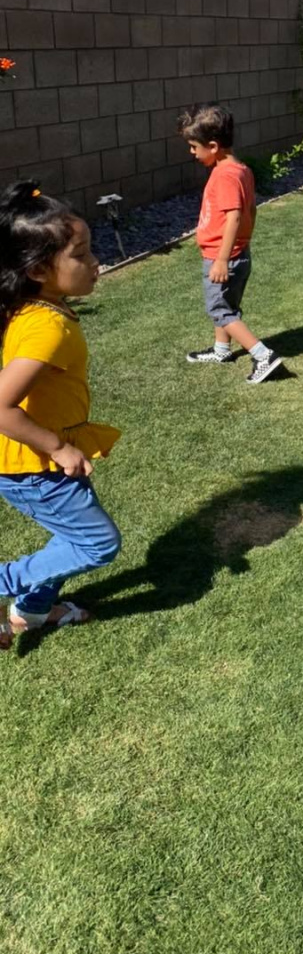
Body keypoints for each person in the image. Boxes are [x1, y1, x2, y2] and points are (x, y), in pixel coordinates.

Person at [0, 181, 122, 645]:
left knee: (70, 536)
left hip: (39, 460)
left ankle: (32, 611)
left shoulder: (40, 307)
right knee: (97, 543)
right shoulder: (45, 328)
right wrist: (58, 447)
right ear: (36, 269)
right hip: (32, 465)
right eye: (81, 254)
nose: (94, 262)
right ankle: (5, 582)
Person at [178, 103, 283, 384]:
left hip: (222, 256)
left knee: (219, 309)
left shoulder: (224, 175)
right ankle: (221, 350)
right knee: (227, 306)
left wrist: (222, 259)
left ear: (212, 146)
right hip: (239, 253)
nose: (192, 152)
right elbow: (252, 211)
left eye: (193, 146)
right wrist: (242, 245)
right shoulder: (240, 169)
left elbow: (235, 217)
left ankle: (264, 356)